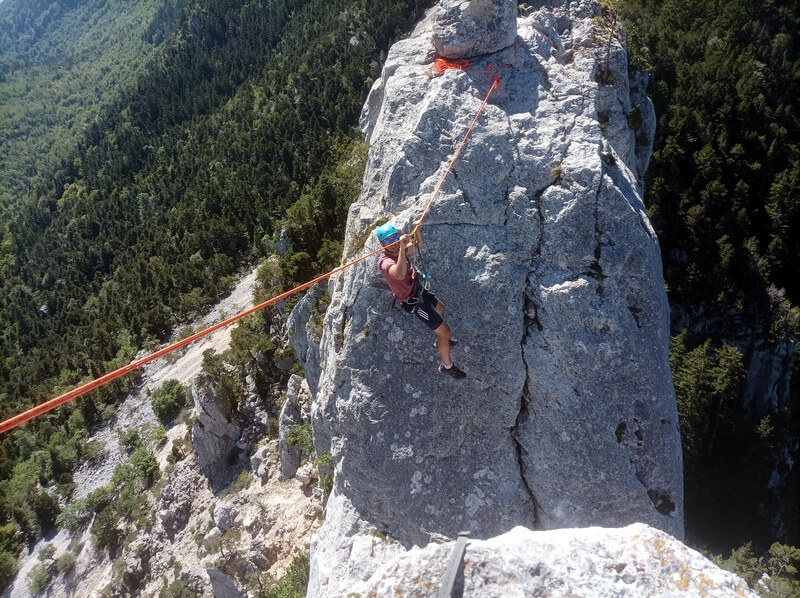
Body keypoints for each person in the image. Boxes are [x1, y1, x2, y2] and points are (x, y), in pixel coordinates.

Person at [376, 222, 466, 379]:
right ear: (382, 245)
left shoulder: (398, 249)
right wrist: (402, 247)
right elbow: (398, 273)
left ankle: (441, 341)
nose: (393, 243)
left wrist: (417, 232)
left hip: (418, 292)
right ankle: (447, 366)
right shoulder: (385, 262)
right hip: (414, 303)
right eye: (388, 241)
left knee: (441, 307)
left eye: (394, 238)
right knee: (445, 332)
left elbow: (417, 246)